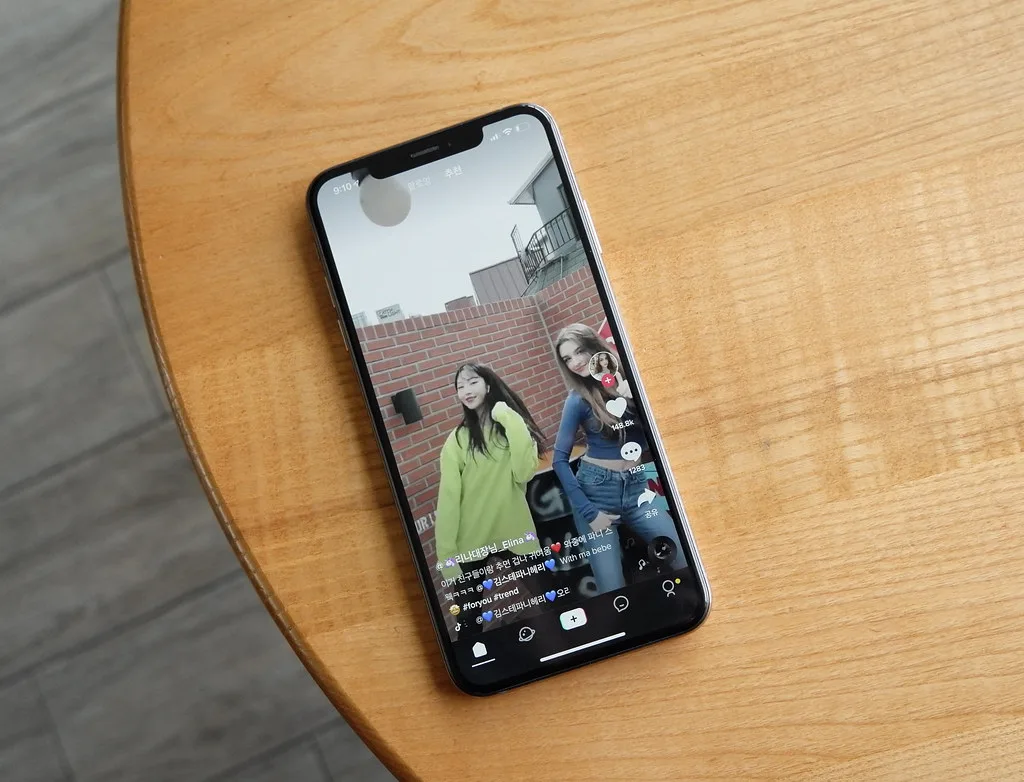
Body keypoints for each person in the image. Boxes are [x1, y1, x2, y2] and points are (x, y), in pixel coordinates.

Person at [552, 324, 687, 594]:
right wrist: (590, 513)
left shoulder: (629, 381)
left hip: (637, 489)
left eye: (579, 351)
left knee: (683, 558)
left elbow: (659, 434)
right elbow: (559, 460)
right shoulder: (577, 400)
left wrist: (637, 399)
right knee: (612, 587)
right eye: (567, 358)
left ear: (594, 347)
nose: (575, 362)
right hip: (596, 494)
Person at [434, 363, 547, 635]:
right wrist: (447, 558)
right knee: (468, 621)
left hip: (513, 530)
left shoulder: (510, 425)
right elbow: (448, 501)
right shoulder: (457, 441)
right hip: (470, 539)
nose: (466, 391)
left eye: (472, 382)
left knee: (547, 596)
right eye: (460, 386)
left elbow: (523, 473)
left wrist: (507, 416)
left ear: (487, 385)